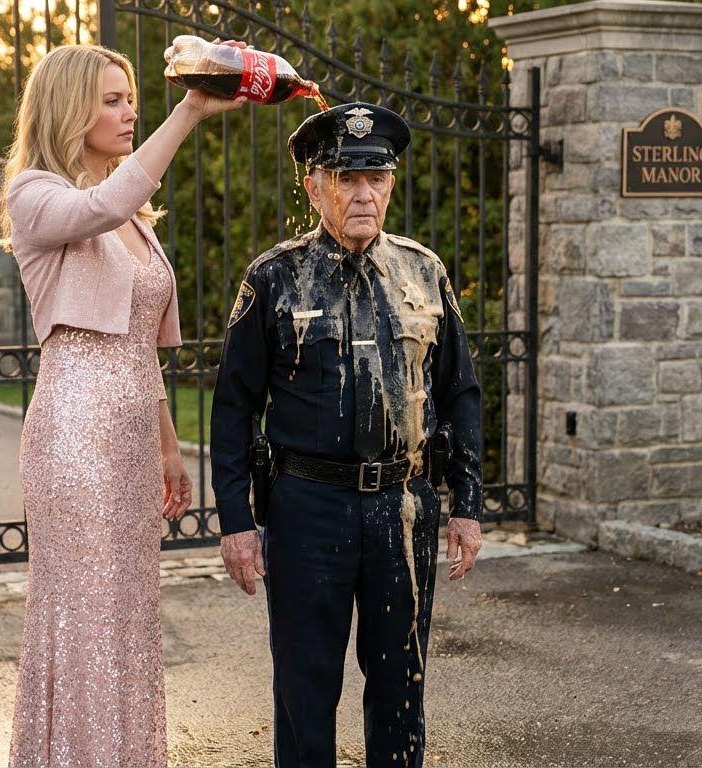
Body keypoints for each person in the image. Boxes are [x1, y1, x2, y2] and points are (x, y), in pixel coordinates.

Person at [210, 102, 485, 767]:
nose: (364, 194)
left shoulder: (424, 272)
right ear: (313, 186)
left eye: (377, 179)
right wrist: (237, 522)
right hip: (308, 508)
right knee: (306, 689)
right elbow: (232, 406)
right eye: (345, 178)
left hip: (404, 505)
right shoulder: (273, 278)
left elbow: (460, 392)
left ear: (390, 183)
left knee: (401, 685)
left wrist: (466, 505)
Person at [0, 43, 245, 766]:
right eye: (112, 100)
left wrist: (168, 445)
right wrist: (192, 107)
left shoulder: (138, 220)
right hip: (73, 435)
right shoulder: (36, 196)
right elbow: (103, 202)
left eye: (131, 96)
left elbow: (140, 346)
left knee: (126, 619)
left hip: (133, 436)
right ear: (70, 108)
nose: (129, 110)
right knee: (84, 617)